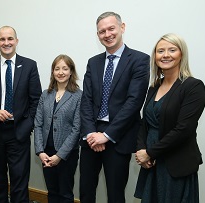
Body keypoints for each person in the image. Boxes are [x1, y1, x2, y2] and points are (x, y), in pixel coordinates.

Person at [79, 12, 150, 202]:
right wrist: (91, 134)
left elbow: (134, 102)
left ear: (122, 27)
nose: (107, 34)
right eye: (102, 31)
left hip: (119, 137)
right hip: (91, 137)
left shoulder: (140, 60)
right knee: (86, 191)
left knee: (115, 194)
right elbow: (86, 100)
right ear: (97, 35)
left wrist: (107, 135)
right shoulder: (93, 62)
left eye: (111, 28)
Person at [134, 33, 205, 203]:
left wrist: (150, 152)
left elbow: (183, 130)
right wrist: (141, 151)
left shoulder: (193, 86)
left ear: (182, 54)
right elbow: (145, 123)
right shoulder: (154, 86)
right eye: (160, 51)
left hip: (175, 164)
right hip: (151, 163)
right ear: (155, 57)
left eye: (172, 50)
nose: (165, 55)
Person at [0, 25, 42, 203]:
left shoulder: (29, 66)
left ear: (16, 41)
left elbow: (36, 100)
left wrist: (27, 126)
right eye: (2, 39)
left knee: (19, 181)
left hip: (18, 131)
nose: (6, 43)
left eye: (10, 39)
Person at [34, 54, 81, 203]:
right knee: (52, 191)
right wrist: (40, 151)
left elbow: (77, 128)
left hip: (66, 154)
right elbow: (38, 124)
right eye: (57, 69)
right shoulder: (45, 94)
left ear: (71, 71)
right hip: (46, 153)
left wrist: (60, 155)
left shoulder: (78, 96)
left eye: (65, 68)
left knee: (65, 193)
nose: (61, 72)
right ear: (53, 72)